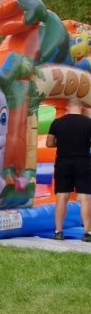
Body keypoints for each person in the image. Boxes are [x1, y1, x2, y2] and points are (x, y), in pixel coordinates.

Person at [46, 98, 91, 240]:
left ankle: (58, 231)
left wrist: (62, 144)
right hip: (83, 162)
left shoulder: (57, 123)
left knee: (62, 198)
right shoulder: (89, 123)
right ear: (81, 108)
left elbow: (49, 143)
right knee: (85, 198)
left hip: (63, 162)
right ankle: (87, 233)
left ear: (67, 108)